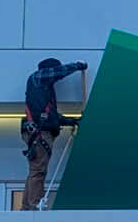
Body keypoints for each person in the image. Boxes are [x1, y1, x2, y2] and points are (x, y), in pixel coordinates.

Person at [21, 58, 88, 210]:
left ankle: (27, 206)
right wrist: (78, 66)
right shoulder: (37, 78)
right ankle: (33, 206)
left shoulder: (43, 92)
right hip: (40, 133)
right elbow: (58, 72)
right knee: (38, 170)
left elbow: (52, 116)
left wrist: (72, 121)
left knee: (36, 170)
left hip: (40, 131)